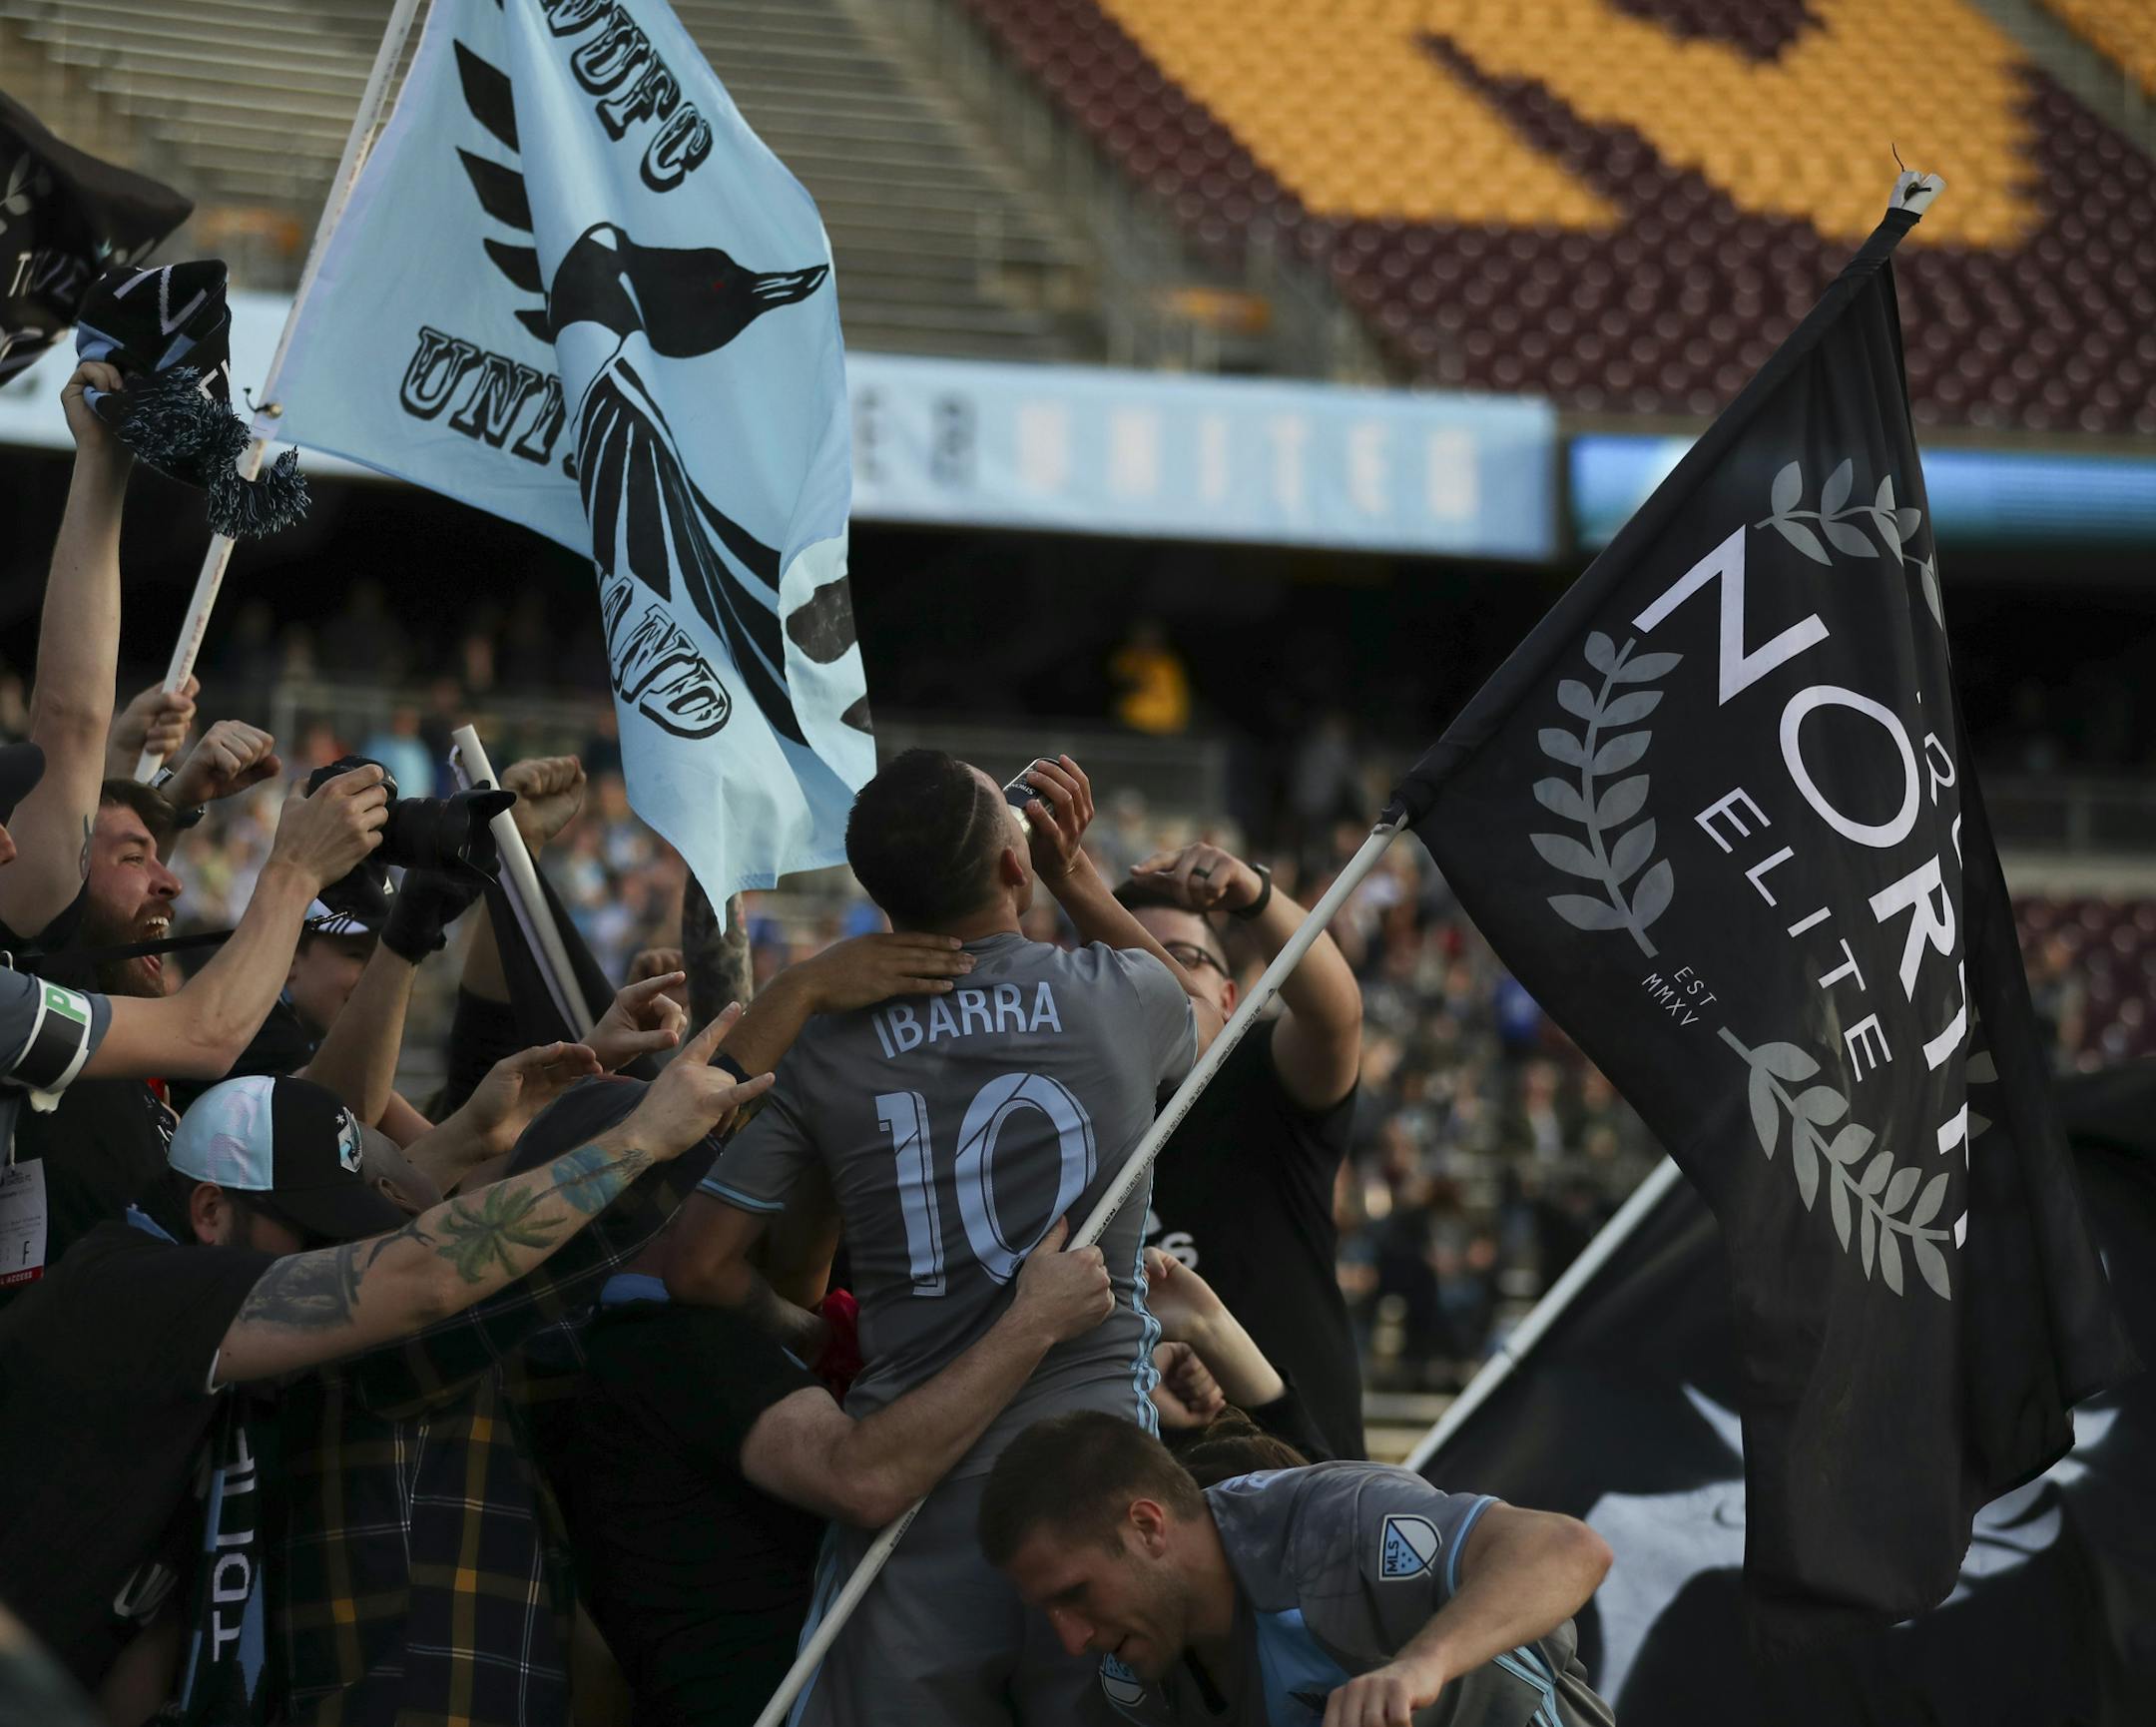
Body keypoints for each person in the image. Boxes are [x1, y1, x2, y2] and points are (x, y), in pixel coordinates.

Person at [665, 749, 1224, 1726]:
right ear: (1015, 865)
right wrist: (1075, 875)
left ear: (883, 896)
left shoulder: (826, 1044)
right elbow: (1189, 1008)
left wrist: (804, 1333)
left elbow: (697, 1264)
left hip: (913, 1503)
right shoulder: (1118, 1000)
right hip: (1101, 1497)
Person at [0, 1013, 766, 1706]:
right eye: (316, 1237)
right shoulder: (134, 1290)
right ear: (208, 1212)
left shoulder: (213, 1320)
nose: (338, 1262)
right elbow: (416, 1279)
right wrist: (640, 1139)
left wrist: (470, 1134)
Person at [4, 759, 388, 1301]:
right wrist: (297, 869)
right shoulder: (34, 986)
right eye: (137, 857)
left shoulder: (122, 1049)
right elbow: (207, 1033)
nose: (173, 882)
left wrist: (178, 800)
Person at [980, 1413, 1615, 1727]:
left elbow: (1567, 1548)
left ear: (1147, 1526)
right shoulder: (1131, 1681)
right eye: (1050, 1613)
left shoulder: (1331, 1522)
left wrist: (1418, 1666)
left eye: (1076, 1594)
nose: (1071, 1639)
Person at [1117, 840, 1366, 1456]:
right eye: (1121, 965)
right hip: (1145, 1500)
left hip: (1303, 1478)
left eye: (1179, 958)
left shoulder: (1257, 1074)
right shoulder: (1063, 1125)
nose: (1154, 978)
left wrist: (1256, 898)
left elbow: (1334, 1018)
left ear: (1229, 1000)